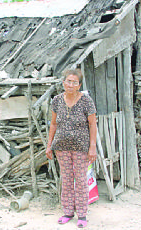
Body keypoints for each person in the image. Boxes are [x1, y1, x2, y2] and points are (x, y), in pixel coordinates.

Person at [46, 68, 97, 228]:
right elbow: (53, 124)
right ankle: (68, 211)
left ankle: (82, 214)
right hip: (61, 146)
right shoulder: (57, 100)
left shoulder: (86, 101)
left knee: (81, 180)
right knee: (67, 179)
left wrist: (92, 147)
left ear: (79, 85)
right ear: (63, 83)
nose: (71, 84)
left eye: (75, 82)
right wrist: (49, 146)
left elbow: (92, 124)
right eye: (68, 81)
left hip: (81, 146)